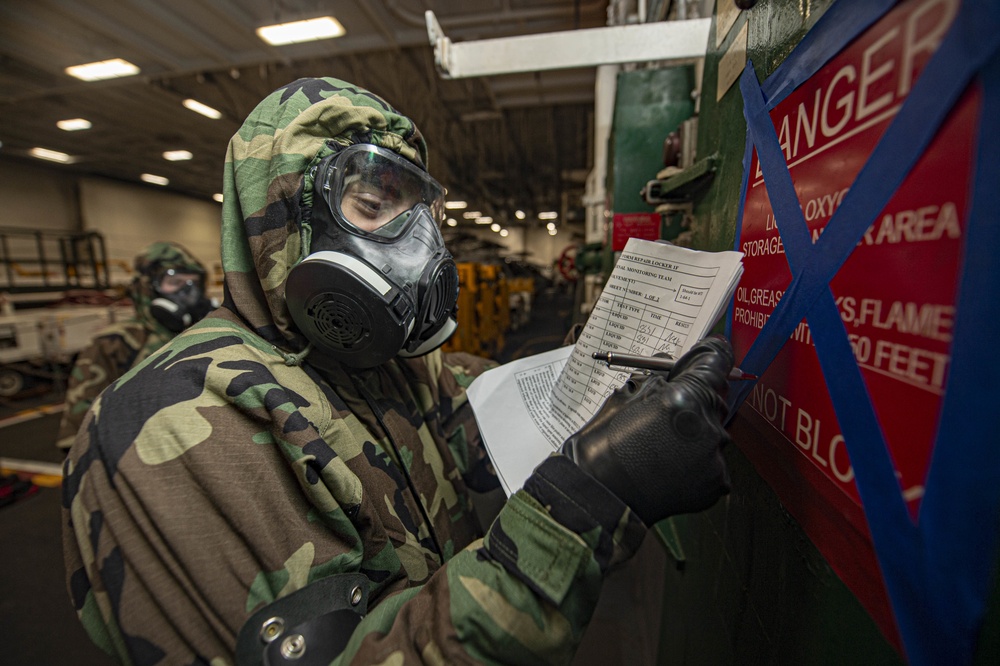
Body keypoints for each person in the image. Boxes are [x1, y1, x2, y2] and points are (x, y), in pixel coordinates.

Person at [61, 77, 735, 665]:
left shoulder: (387, 364)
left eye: (417, 212)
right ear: (285, 215)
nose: (419, 246)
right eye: (372, 206)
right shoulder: (173, 423)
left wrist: (611, 380)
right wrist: (584, 506)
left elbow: (477, 422)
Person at [56, 241, 213, 449]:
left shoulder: (206, 333)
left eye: (193, 283)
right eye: (174, 282)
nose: (187, 292)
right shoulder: (114, 343)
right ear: (147, 287)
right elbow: (78, 434)